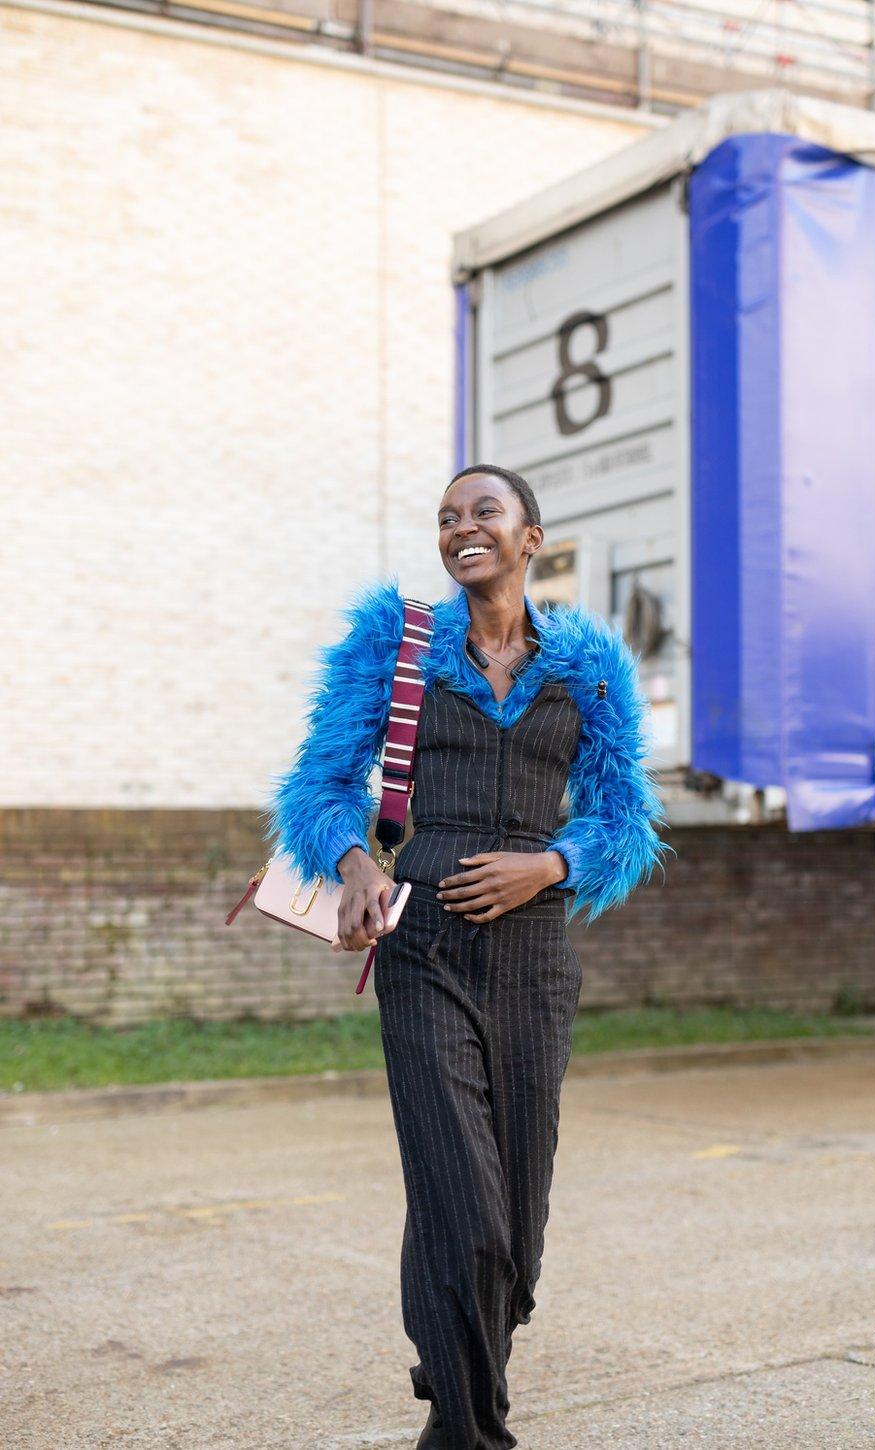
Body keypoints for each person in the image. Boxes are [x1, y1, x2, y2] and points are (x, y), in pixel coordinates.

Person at [268, 464, 673, 1450]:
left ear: (530, 535)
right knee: (467, 1209)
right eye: (447, 517)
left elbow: (625, 818)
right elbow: (320, 786)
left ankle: (447, 1342)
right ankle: (468, 1429)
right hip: (425, 948)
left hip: (535, 959)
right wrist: (356, 860)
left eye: (483, 511)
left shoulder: (587, 666)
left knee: (514, 1243)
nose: (461, 528)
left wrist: (552, 862)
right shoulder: (397, 644)